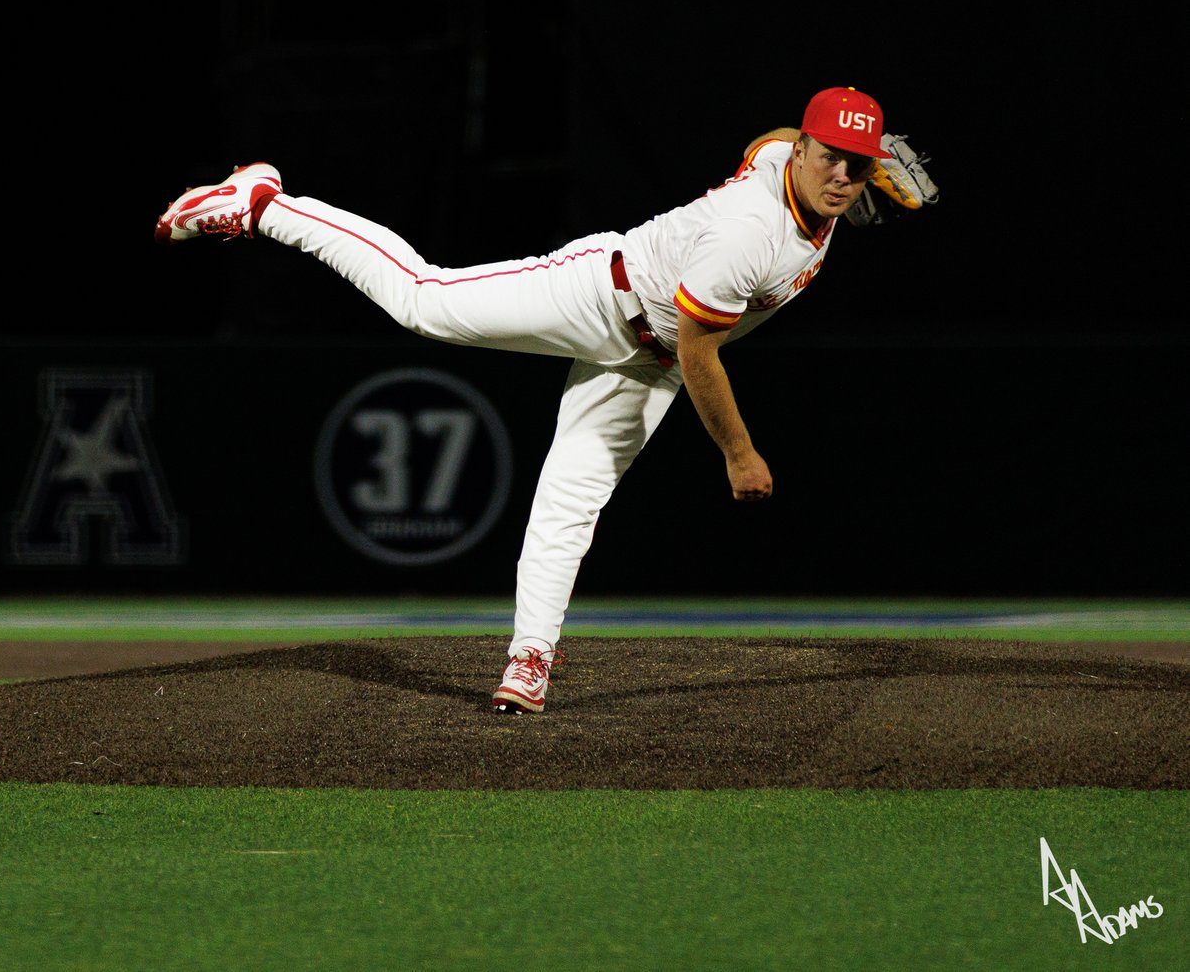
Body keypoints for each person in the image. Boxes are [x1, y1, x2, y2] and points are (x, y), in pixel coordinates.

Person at [155, 87, 926, 715]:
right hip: (599, 294)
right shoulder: (751, 232)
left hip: (645, 358)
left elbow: (773, 138)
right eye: (829, 158)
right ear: (804, 153)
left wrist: (848, 154)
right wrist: (739, 451)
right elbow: (700, 353)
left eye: (858, 165)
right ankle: (265, 204)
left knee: (572, 497)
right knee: (426, 300)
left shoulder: (795, 166)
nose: (842, 179)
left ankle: (528, 663)